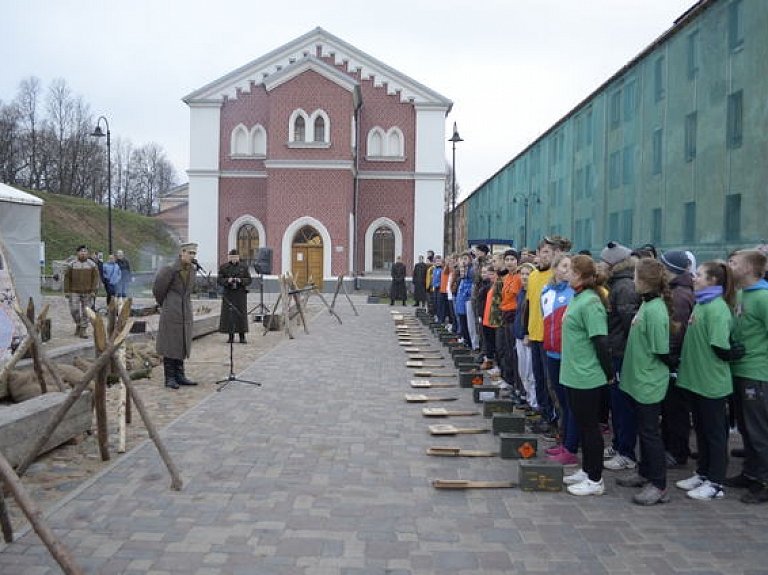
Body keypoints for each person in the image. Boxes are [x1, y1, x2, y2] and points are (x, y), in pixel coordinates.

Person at [676, 261, 742, 500]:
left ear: (713, 280)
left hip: (711, 382)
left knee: (715, 434)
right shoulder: (702, 303)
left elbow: (720, 346)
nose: (694, 278)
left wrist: (732, 353)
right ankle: (702, 472)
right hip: (696, 380)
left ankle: (716, 483)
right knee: (702, 430)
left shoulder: (717, 308)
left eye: (700, 275)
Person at [616, 258, 675, 506]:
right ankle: (644, 472)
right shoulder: (646, 304)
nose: (632, 281)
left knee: (650, 433)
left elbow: (661, 350)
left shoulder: (656, 310)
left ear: (645, 281)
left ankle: (659, 485)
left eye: (635, 277)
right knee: (643, 429)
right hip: (638, 379)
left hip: (649, 381)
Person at [560, 255, 612, 496]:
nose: (566, 273)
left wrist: (608, 373)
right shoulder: (578, 296)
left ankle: (595, 479)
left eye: (570, 270)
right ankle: (586, 469)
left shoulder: (591, 302)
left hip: (587, 375)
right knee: (582, 425)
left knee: (590, 428)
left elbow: (600, 341)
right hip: (573, 373)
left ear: (580, 275)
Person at [725, 249, 768, 504]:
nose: (729, 266)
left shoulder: (764, 298)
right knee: (746, 428)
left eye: (734, 262)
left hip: (757, 373)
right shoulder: (741, 294)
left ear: (749, 268)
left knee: (759, 429)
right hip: (739, 369)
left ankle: (764, 481)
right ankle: (751, 472)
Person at [600, 242, 640, 472]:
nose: (600, 265)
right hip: (616, 350)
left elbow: (628, 323)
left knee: (623, 405)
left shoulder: (623, 287)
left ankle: (626, 452)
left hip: (622, 353)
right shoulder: (617, 283)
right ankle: (618, 445)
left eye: (603, 261)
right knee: (617, 404)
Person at [659, 250, 696, 467]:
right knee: (672, 409)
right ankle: (673, 448)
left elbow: (676, 332)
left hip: (674, 362)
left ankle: (677, 451)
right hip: (674, 360)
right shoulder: (677, 291)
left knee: (676, 410)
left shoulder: (679, 295)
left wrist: (669, 357)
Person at [542, 253, 579, 465]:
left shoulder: (574, 292)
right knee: (562, 401)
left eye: (570, 267)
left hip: (569, 355)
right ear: (555, 268)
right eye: (564, 266)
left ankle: (572, 445)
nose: (568, 270)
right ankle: (564, 441)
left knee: (571, 403)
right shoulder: (546, 292)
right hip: (551, 353)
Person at [153, 242, 200, 390]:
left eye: (194, 253)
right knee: (170, 343)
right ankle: (170, 377)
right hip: (172, 311)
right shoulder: (170, 269)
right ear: (182, 253)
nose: (192, 256)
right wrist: (166, 304)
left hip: (185, 310)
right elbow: (158, 289)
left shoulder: (192, 270)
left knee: (181, 342)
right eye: (190, 253)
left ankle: (180, 375)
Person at [63, 245, 100, 339]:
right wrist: (67, 291)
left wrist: (94, 291)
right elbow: (67, 278)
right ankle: (78, 323)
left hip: (88, 291)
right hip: (74, 291)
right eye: (81, 251)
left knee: (86, 311)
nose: (83, 253)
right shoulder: (72, 264)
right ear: (77, 253)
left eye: (85, 251)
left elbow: (96, 278)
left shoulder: (92, 265)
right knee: (74, 309)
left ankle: (83, 329)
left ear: (87, 253)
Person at [514, 263, 537, 409]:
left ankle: (534, 402)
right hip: (518, 334)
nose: (524, 277)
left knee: (531, 372)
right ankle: (528, 398)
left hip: (529, 337)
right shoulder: (520, 292)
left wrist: (528, 333)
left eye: (527, 274)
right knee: (522, 371)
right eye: (522, 274)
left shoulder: (534, 292)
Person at [217, 248, 253, 344]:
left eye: (236, 257)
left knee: (240, 315)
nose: (234, 259)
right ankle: (231, 337)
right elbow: (219, 280)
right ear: (229, 257)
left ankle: (242, 336)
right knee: (230, 315)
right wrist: (227, 280)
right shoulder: (224, 267)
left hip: (240, 294)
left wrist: (241, 280)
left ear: (238, 257)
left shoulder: (244, 267)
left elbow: (249, 280)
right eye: (232, 257)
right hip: (229, 294)